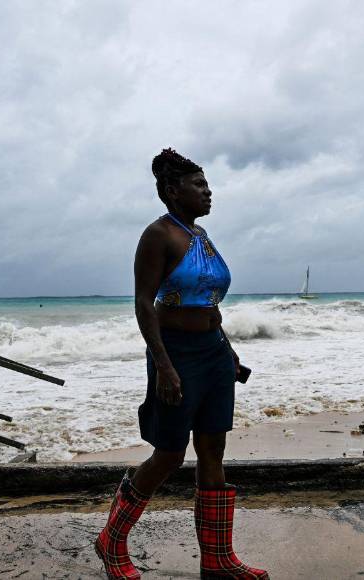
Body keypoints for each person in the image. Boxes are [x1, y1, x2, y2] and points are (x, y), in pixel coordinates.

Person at [94, 148, 269, 579]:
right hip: (175, 353)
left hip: (212, 351)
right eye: (199, 185)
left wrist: (228, 353)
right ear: (173, 191)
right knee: (170, 454)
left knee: (213, 450)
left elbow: (209, 302)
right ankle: (111, 541)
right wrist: (164, 366)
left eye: (207, 184)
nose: (209, 192)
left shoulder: (201, 236)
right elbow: (143, 303)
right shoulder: (159, 235)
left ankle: (218, 560)